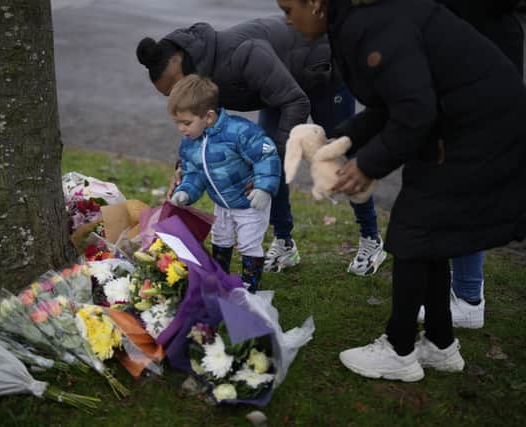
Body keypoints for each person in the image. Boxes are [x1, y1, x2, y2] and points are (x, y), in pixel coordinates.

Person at [277, 0, 526, 381]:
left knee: (411, 234)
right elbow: (390, 106)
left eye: (288, 8)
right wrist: (342, 140)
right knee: (429, 236)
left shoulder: (370, 25)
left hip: (479, 127)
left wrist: (366, 165)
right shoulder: (354, 23)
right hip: (462, 120)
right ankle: (441, 345)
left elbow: (413, 110)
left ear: (315, 4)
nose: (286, 19)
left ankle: (399, 350)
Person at [136, 15, 387, 276]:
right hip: (279, 88)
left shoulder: (242, 55)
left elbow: (296, 102)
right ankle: (285, 242)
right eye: (169, 94)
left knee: (341, 156)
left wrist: (270, 163)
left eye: (175, 87)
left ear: (183, 66)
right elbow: (201, 126)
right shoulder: (197, 80)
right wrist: (184, 168)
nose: (176, 95)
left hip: (322, 71)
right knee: (265, 157)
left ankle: (371, 238)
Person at [416, 0, 525, 329]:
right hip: (475, 73)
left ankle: (467, 298)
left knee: (463, 187)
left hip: (477, 82)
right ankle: (463, 292)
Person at [167, 74, 281, 292]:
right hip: (222, 202)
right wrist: (185, 192)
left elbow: (266, 155)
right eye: (178, 123)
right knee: (220, 237)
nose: (181, 129)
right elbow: (193, 173)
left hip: (250, 202)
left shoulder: (239, 131)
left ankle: (250, 285)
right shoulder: (190, 143)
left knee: (248, 242)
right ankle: (219, 277)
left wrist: (263, 187)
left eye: (186, 122)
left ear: (208, 117)